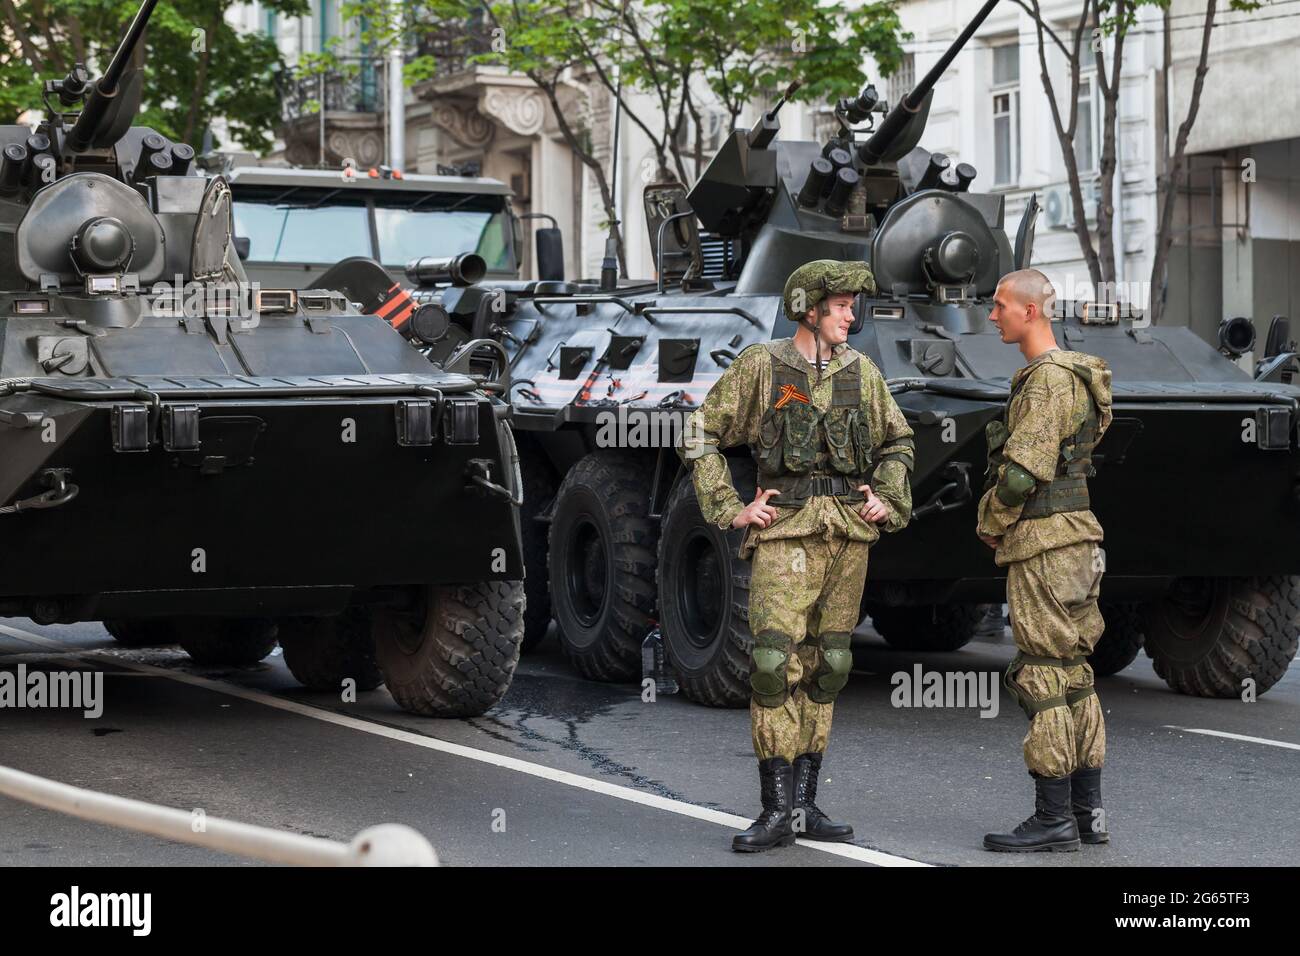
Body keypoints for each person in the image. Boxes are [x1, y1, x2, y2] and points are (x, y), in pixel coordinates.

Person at [678, 259, 914, 852]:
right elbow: (699, 431)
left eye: (850, 306)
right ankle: (775, 808)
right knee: (772, 663)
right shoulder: (765, 365)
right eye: (839, 305)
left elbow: (899, 440)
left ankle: (806, 804)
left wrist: (887, 496)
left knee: (829, 663)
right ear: (808, 306)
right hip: (786, 532)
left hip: (846, 535)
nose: (849, 315)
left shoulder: (861, 372)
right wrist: (730, 507)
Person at [978, 268, 1113, 852]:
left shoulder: (1045, 381)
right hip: (1079, 542)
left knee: (1041, 674)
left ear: (1030, 312)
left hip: (1044, 546)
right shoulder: (1081, 375)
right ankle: (1088, 813)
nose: (992, 315)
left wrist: (990, 520)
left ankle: (1053, 816)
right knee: (1075, 671)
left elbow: (1021, 471)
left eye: (1000, 305)